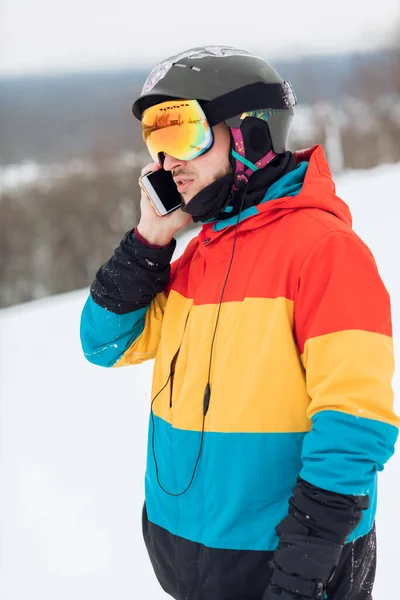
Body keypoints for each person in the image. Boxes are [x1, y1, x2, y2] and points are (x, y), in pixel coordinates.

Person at [80, 46, 399, 600]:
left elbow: (355, 427)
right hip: (194, 572)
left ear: (250, 134)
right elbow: (103, 342)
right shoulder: (200, 257)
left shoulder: (325, 251)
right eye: (156, 139)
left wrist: (301, 576)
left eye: (182, 134)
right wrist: (150, 239)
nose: (166, 160)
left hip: (286, 577)